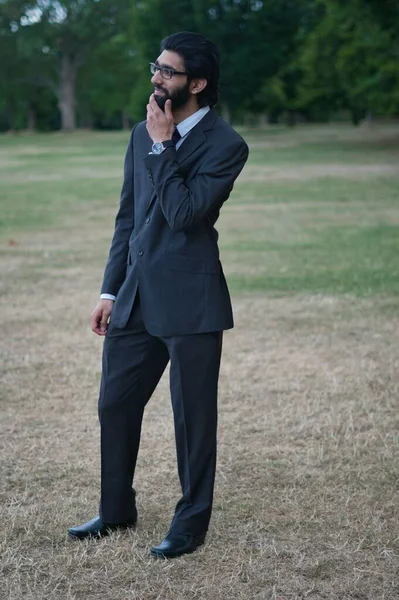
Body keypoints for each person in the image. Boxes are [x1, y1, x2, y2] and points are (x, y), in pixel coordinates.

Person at [68, 31, 249, 558]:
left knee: (193, 420)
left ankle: (190, 524)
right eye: (156, 67)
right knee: (114, 405)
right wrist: (109, 289)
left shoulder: (226, 145)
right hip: (134, 298)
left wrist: (164, 145)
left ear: (197, 83)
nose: (156, 78)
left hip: (191, 302)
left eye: (167, 72)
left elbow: (185, 213)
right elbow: (128, 219)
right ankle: (117, 509)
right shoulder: (138, 134)